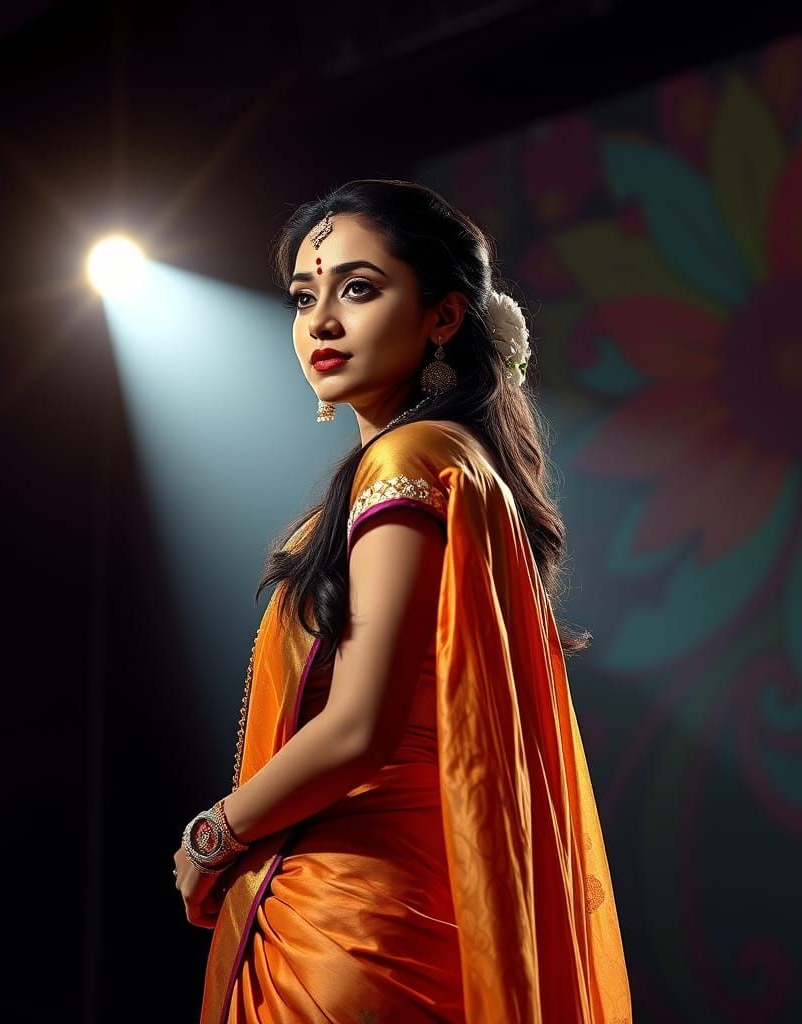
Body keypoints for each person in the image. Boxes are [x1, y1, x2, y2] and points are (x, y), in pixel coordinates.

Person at [173, 179, 633, 1023]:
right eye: (304, 297)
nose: (321, 321)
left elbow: (359, 724)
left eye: (359, 288)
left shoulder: (408, 463)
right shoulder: (456, 464)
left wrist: (216, 834)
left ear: (444, 316)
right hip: (419, 907)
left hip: (352, 929)